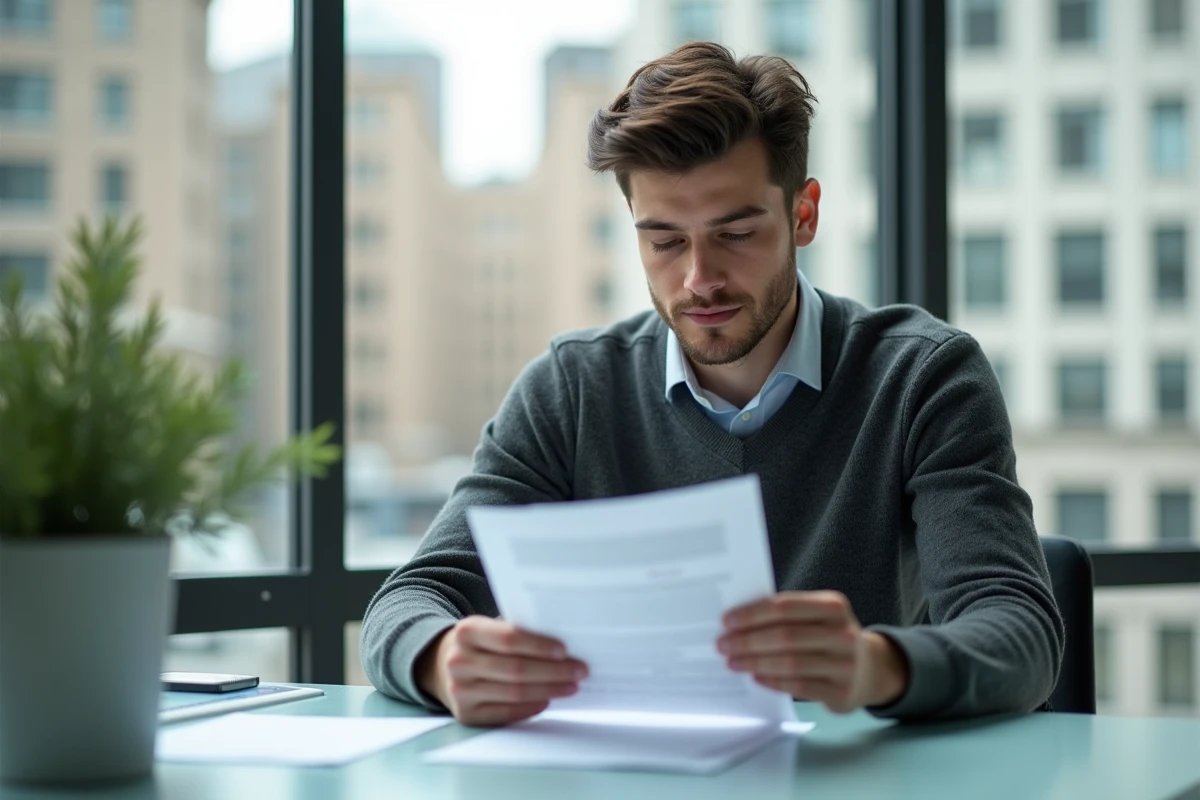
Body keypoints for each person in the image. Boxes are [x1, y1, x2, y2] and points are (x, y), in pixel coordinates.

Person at [361, 41, 1064, 727]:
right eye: (664, 240)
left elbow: (1022, 635)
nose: (699, 279)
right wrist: (442, 657)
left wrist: (873, 665)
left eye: (735, 233)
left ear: (804, 214)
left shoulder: (922, 377)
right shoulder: (569, 390)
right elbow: (412, 599)